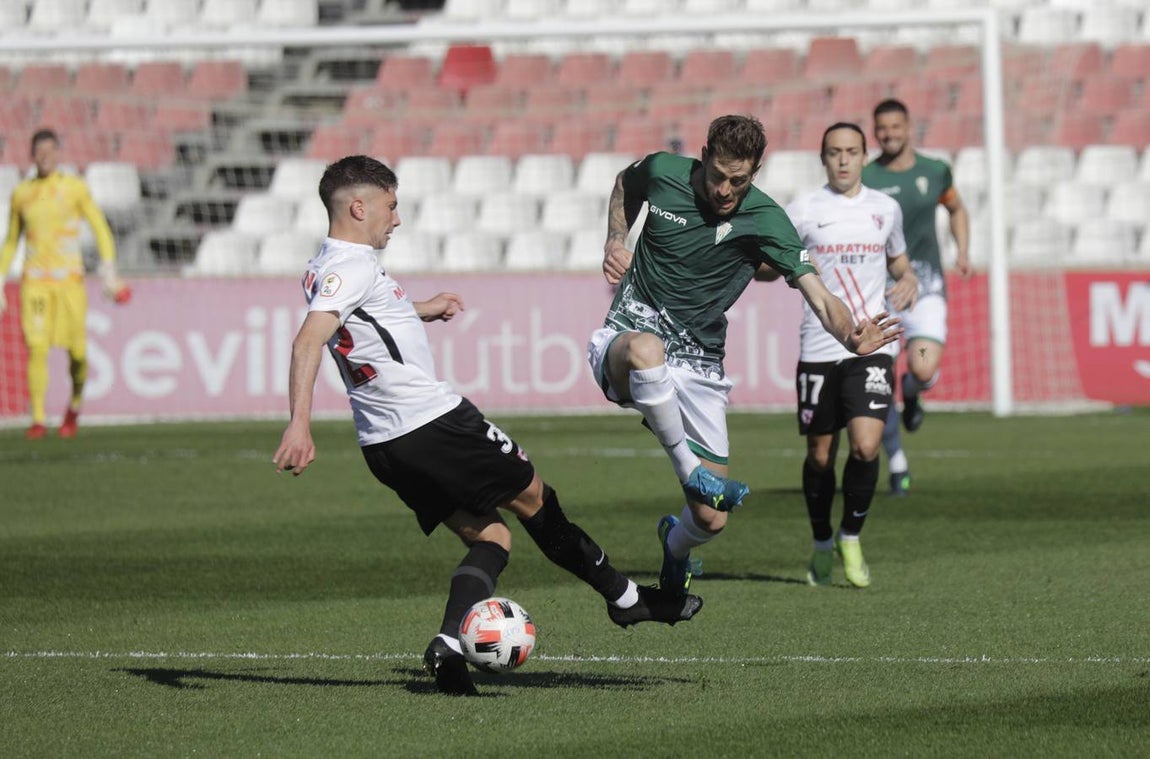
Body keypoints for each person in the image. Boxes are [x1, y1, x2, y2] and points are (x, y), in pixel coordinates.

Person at [272, 155, 702, 698]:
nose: (396, 218)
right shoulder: (351, 266)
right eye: (390, 205)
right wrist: (299, 424)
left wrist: (424, 308)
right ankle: (627, 601)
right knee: (537, 500)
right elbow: (309, 339)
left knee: (493, 536)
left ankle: (449, 646)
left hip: (384, 446)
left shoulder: (324, 265)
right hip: (432, 424)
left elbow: (362, 324)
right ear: (359, 207)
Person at [591, 114, 902, 600]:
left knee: (710, 519)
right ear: (703, 157)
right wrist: (616, 237)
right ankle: (688, 469)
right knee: (646, 350)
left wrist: (848, 336)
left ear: (755, 172)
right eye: (717, 174)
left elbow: (819, 295)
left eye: (738, 180)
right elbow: (622, 185)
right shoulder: (662, 172)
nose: (723, 189)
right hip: (629, 336)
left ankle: (675, 549)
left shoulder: (766, 219)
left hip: (699, 366)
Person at [780, 122, 918, 588]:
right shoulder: (802, 210)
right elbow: (772, 263)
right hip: (819, 345)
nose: (843, 160)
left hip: (872, 343)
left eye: (852, 151)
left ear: (864, 156)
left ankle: (851, 536)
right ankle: (821, 540)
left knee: (866, 445)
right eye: (835, 152)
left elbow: (898, 261)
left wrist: (909, 278)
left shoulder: (885, 209)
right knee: (820, 456)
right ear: (823, 157)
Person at [862, 99, 971, 496]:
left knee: (922, 369)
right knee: (879, 384)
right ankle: (897, 464)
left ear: (909, 128)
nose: (889, 134)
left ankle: (914, 390)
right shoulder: (865, 175)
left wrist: (962, 249)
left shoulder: (935, 171)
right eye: (882, 129)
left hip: (925, 289)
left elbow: (957, 209)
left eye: (895, 127)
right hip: (882, 293)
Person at [0, 128, 129, 440]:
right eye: (39, 152)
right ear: (31, 156)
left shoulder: (74, 189)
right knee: (37, 347)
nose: (44, 157)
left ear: (58, 154)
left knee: (78, 354)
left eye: (49, 151)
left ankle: (73, 405)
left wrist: (109, 269)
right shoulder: (22, 194)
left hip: (70, 282)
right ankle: (39, 419)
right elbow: (11, 241)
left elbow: (99, 227)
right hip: (35, 283)